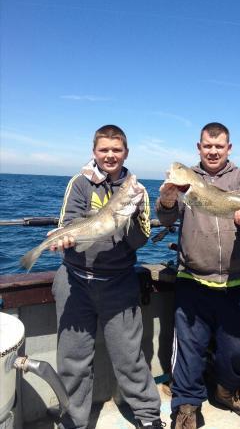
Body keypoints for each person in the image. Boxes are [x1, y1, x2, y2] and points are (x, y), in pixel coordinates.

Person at [50, 125, 165, 429]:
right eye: (104, 150)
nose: (110, 155)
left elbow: (139, 240)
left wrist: (136, 211)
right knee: (73, 361)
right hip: (75, 281)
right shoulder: (79, 183)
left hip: (119, 283)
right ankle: (74, 420)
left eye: (116, 150)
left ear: (125, 153)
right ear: (94, 152)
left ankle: (149, 418)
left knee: (130, 359)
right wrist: (65, 238)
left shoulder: (137, 190)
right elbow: (69, 222)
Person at [156, 122, 240, 428]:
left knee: (234, 350)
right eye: (207, 146)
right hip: (193, 280)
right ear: (199, 147)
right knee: (189, 350)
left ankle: (226, 392)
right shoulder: (186, 180)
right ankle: (187, 407)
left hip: (237, 282)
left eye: (219, 146)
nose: (213, 151)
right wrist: (166, 200)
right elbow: (165, 218)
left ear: (228, 148)